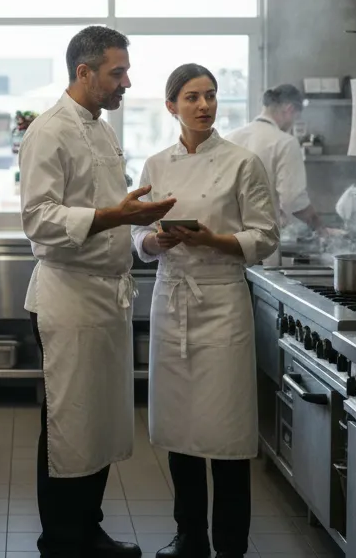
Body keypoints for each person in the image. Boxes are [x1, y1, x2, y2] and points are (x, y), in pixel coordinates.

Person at [19, 25, 176, 558]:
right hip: (69, 299)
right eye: (117, 72)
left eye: (126, 71)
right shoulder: (49, 131)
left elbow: (110, 213)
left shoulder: (102, 129)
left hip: (107, 298)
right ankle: (62, 540)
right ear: (83, 72)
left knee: (100, 424)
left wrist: (143, 228)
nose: (126, 82)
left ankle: (88, 528)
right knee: (69, 425)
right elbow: (38, 220)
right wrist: (117, 214)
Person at [132, 64, 280, 558]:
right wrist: (154, 238)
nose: (204, 105)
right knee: (180, 432)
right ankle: (190, 537)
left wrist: (212, 239)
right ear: (171, 106)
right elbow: (135, 235)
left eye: (211, 96)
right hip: (172, 299)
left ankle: (231, 546)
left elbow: (264, 236)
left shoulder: (243, 162)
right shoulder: (155, 165)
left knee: (228, 433)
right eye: (192, 97)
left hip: (222, 303)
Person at [225, 83, 323, 263]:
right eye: (295, 117)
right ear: (289, 109)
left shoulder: (230, 138)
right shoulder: (285, 142)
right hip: (260, 248)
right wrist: (320, 227)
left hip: (226, 243)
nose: (293, 124)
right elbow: (294, 199)